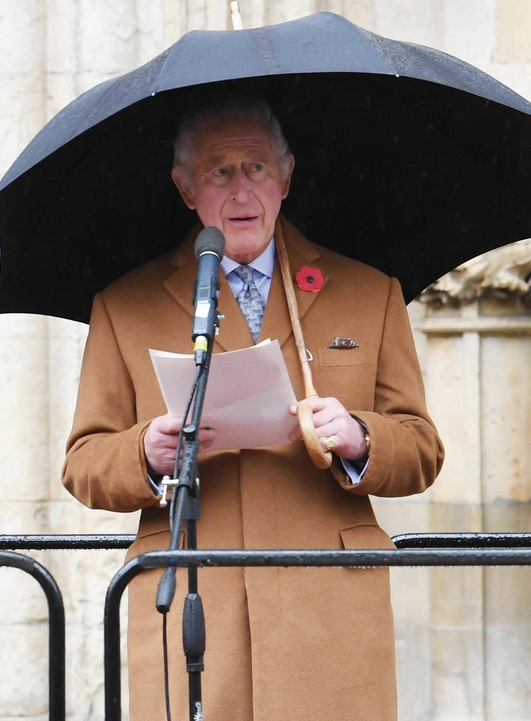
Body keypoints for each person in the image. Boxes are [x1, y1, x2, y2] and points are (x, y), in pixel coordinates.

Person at [62, 94, 444, 721]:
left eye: (258, 168)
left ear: (287, 176)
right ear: (186, 188)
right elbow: (83, 464)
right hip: (192, 598)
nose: (242, 192)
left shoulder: (369, 291)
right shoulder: (124, 305)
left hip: (327, 613)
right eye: (219, 171)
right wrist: (146, 452)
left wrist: (360, 438)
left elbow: (422, 449)